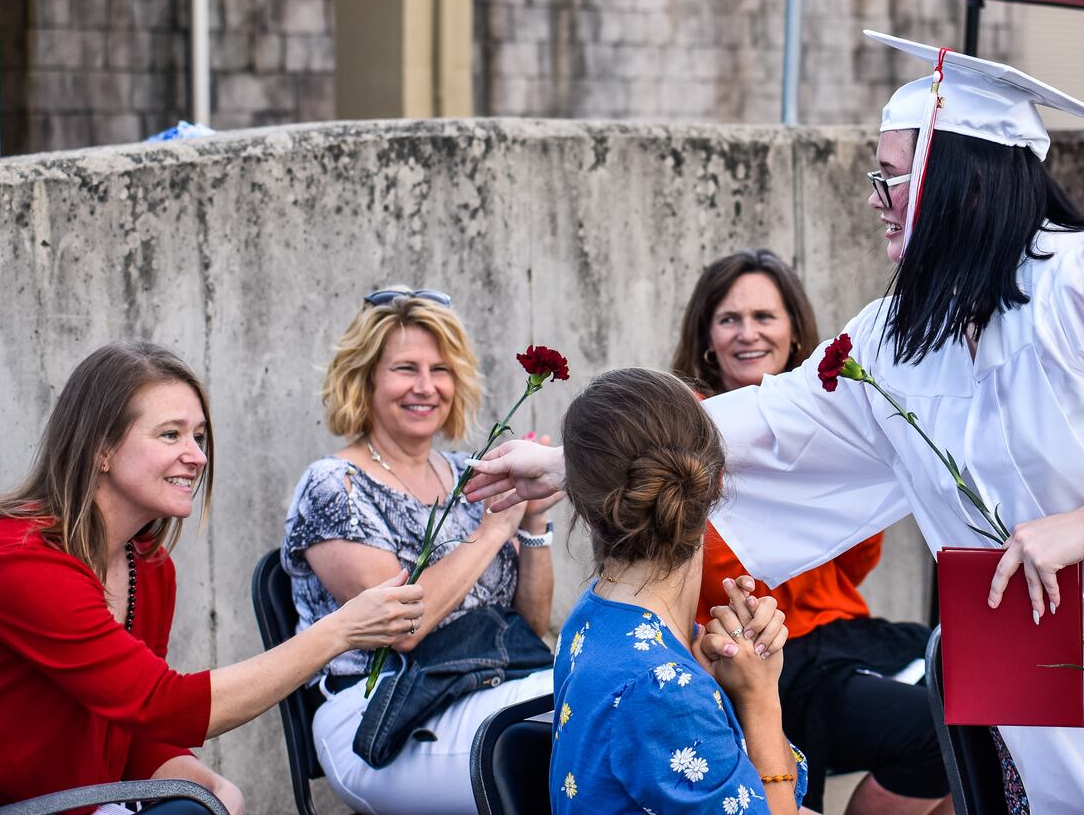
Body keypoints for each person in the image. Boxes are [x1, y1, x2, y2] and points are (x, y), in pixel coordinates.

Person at [466, 33, 1084, 813]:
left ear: (966, 179)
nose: (877, 198)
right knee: (1065, 794)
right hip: (1025, 616)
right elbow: (773, 422)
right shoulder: (899, 335)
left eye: (894, 174)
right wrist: (573, 459)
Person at [0, 340, 424, 813]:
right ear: (101, 450)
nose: (196, 456)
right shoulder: (18, 562)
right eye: (170, 435)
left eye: (198, 436)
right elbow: (163, 705)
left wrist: (198, 779)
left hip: (81, 802)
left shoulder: (149, 566)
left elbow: (134, 726)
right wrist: (339, 630)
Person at [674, 249, 950, 814]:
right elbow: (723, 576)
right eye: (730, 319)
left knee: (986, 723)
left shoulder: (827, 417)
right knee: (941, 733)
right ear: (706, 337)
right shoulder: (684, 427)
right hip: (763, 650)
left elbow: (852, 561)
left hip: (845, 636)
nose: (748, 334)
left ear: (796, 332)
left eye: (765, 317)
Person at [282, 287, 556, 815]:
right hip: (378, 714)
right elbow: (400, 628)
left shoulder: (465, 474)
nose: (426, 387)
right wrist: (493, 531)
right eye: (406, 368)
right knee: (574, 726)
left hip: (485, 683)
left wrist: (533, 518)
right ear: (364, 379)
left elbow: (531, 621)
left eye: (441, 369)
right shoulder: (334, 486)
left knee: (611, 696)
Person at [550, 367, 811, 815]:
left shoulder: (595, 615)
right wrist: (761, 700)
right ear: (717, 484)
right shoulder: (663, 687)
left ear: (581, 503)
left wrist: (715, 689)